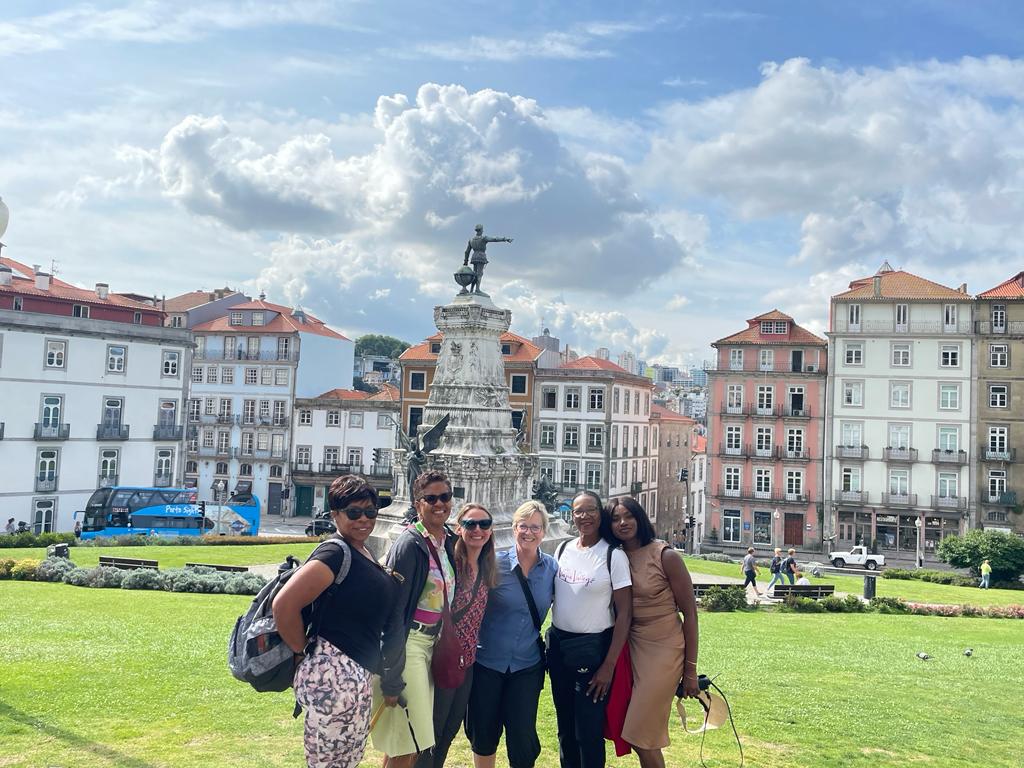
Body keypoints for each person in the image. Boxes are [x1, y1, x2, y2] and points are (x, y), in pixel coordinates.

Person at [270, 475, 401, 768]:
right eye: (354, 513)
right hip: (333, 677)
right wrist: (303, 651)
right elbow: (284, 606)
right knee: (329, 763)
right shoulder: (334, 552)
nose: (364, 520)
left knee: (347, 760)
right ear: (335, 515)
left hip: (355, 677)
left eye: (371, 512)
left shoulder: (361, 550)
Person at [374, 470, 458, 768]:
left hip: (432, 645)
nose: (440, 504)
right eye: (431, 498)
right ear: (417, 502)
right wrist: (391, 675)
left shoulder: (447, 541)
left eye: (445, 497)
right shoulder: (410, 544)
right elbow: (394, 612)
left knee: (407, 738)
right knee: (411, 739)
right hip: (409, 646)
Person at [610, 497, 700, 768]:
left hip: (664, 648)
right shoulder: (613, 555)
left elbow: (690, 613)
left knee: (639, 733)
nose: (623, 523)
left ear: (640, 518)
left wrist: (691, 670)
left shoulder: (665, 555)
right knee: (638, 733)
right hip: (631, 646)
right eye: (615, 519)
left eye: (628, 516)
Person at [468, 501, 558, 768]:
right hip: (487, 663)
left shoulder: (551, 568)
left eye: (535, 527)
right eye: (523, 526)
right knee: (484, 733)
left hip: (526, 666)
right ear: (514, 527)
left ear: (544, 531)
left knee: (522, 738)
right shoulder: (494, 563)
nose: (528, 533)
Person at [549, 490, 633, 768]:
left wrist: (608, 665)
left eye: (590, 510)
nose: (584, 516)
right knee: (565, 729)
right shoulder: (563, 549)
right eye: (578, 511)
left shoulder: (612, 556)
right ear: (571, 515)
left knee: (588, 730)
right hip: (560, 646)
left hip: (592, 650)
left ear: (601, 514)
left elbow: (624, 614)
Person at [416, 503, 498, 768]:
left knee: (449, 730)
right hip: (441, 656)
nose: (478, 530)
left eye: (484, 524)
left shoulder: (488, 567)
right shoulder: (451, 563)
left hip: (468, 660)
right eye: (470, 524)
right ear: (458, 529)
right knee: (432, 730)